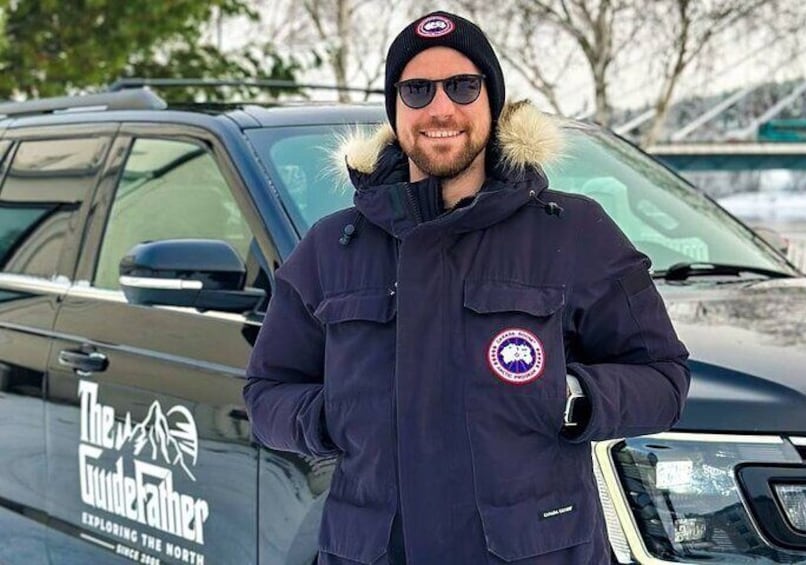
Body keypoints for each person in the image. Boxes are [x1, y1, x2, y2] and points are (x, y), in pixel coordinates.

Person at [244, 10, 690, 565]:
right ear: (395, 107)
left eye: (462, 86)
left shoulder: (572, 232)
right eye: (417, 90)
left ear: (491, 102)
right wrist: (335, 413)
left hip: (536, 551)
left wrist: (570, 396)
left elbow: (663, 379)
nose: (440, 108)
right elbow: (267, 394)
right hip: (374, 551)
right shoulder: (333, 247)